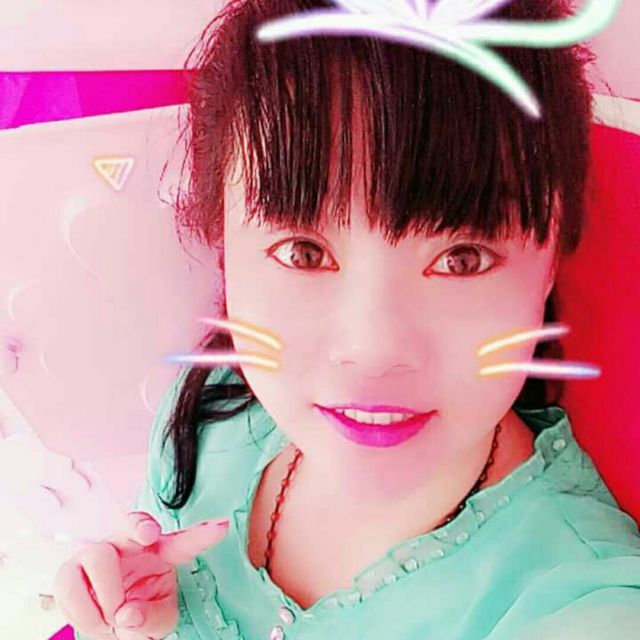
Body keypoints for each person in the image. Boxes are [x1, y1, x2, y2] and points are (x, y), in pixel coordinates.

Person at [54, 1, 640, 638]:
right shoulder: (208, 417)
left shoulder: (576, 607)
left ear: (551, 262)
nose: (373, 349)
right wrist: (133, 611)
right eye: (303, 253)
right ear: (224, 246)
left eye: (462, 258)